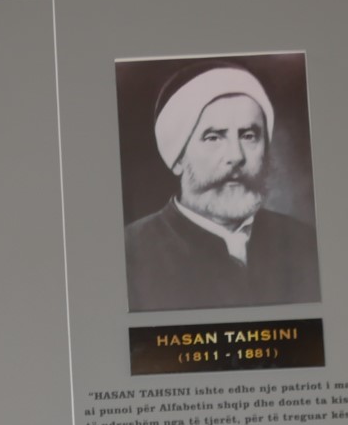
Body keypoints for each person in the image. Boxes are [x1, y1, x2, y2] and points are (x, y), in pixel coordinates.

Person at [124, 61, 321, 311]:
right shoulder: (129, 254)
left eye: (248, 136)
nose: (236, 156)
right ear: (178, 159)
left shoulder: (305, 242)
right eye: (213, 137)